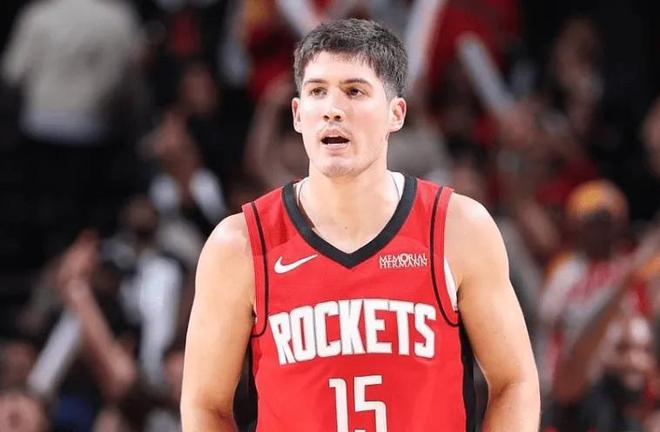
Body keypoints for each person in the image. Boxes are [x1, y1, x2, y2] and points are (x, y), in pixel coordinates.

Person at [181, 18, 539, 431]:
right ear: (297, 115)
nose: (332, 109)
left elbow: (515, 381)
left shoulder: (457, 228)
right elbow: (205, 405)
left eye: (354, 91)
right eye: (317, 91)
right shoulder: (240, 243)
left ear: (395, 114)